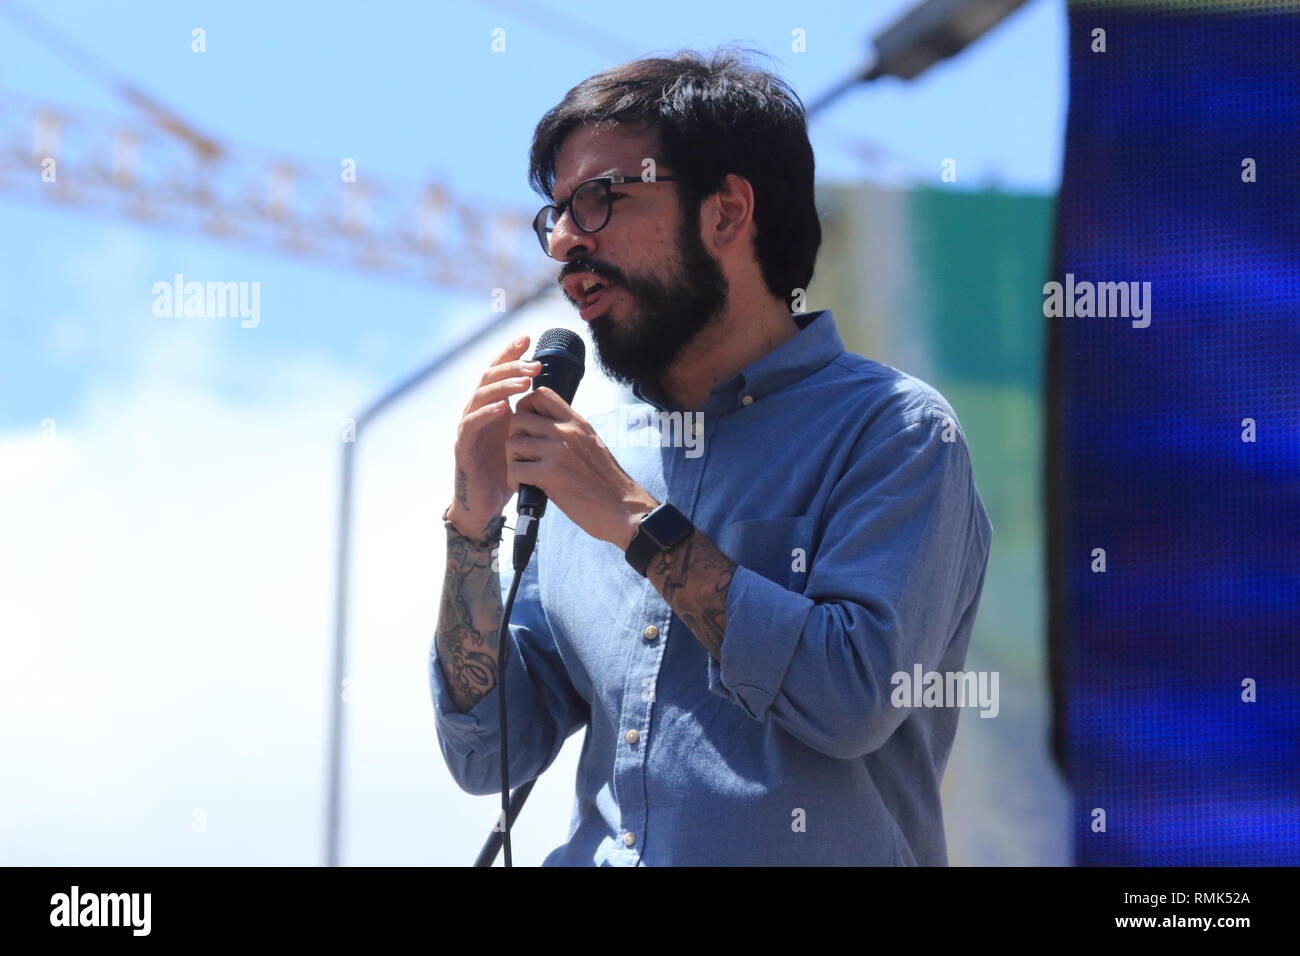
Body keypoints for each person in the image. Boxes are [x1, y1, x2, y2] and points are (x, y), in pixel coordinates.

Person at [429, 47, 992, 866]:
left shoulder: (895, 432)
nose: (563, 247)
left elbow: (850, 699)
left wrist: (631, 519)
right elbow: (486, 754)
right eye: (555, 215)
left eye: (598, 201)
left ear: (727, 214)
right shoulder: (593, 457)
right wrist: (471, 528)